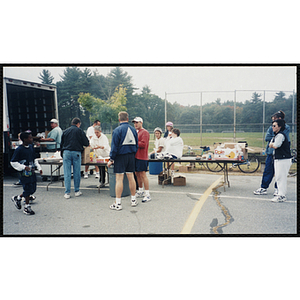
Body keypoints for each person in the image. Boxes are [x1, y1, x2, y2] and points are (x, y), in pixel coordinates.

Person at [254, 110, 290, 196]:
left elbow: (281, 138)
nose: (273, 125)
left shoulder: (286, 127)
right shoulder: (272, 127)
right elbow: (267, 137)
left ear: (280, 119)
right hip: (271, 153)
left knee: (279, 173)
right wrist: (274, 137)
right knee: (268, 170)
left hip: (280, 154)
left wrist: (274, 139)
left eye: (275, 119)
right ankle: (263, 187)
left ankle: (278, 189)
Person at [107, 111, 139, 211]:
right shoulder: (133, 130)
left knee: (119, 179)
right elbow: (137, 145)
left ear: (119, 119)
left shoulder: (117, 130)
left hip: (120, 157)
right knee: (131, 177)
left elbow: (114, 146)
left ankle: (118, 203)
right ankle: (133, 200)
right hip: (131, 156)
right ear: (128, 119)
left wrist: (111, 159)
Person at [10, 131, 43, 215]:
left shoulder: (31, 147)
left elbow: (34, 159)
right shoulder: (19, 149)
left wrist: (39, 168)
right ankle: (27, 207)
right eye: (30, 138)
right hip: (24, 173)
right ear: (24, 139)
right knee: (27, 188)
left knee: (33, 189)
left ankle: (18, 197)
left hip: (31, 171)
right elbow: (13, 162)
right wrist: (23, 167)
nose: (32, 139)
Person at [60, 117, 89, 199]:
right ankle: (77, 191)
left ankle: (67, 192)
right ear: (78, 124)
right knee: (76, 172)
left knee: (67, 173)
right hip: (76, 152)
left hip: (66, 152)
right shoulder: (80, 131)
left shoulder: (65, 131)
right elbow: (86, 142)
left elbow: (61, 144)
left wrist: (62, 154)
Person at [268, 119, 292, 202]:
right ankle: (280, 193)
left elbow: (275, 145)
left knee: (281, 177)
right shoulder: (276, 135)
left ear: (280, 126)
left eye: (275, 126)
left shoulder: (281, 135)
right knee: (278, 177)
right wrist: (272, 144)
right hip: (278, 159)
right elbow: (270, 144)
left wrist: (272, 145)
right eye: (272, 126)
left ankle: (282, 195)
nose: (273, 127)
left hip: (283, 159)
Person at [132, 117, 151, 202]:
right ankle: (140, 190)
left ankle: (147, 194)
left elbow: (143, 144)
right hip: (136, 156)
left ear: (141, 123)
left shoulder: (145, 132)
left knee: (143, 174)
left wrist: (133, 142)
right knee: (137, 174)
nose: (135, 124)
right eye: (134, 123)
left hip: (142, 157)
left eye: (137, 122)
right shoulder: (137, 132)